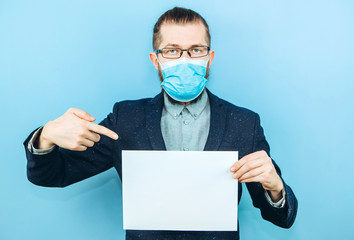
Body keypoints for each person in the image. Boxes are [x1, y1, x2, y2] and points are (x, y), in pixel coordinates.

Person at [24, 7, 298, 240]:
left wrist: (276, 187)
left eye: (195, 50)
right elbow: (51, 175)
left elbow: (281, 217)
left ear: (209, 58)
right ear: (156, 60)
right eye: (172, 51)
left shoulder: (244, 123)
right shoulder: (126, 119)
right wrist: (44, 137)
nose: (185, 59)